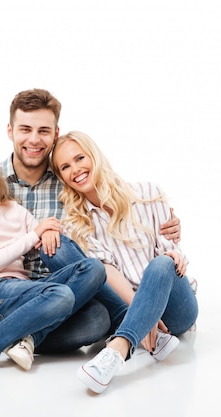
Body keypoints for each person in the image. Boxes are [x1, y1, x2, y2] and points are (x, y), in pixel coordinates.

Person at [0, 88, 182, 381]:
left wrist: (161, 219)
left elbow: (112, 211)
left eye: (43, 130)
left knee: (96, 319)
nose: (34, 139)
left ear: (56, 134)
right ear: (11, 130)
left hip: (57, 297)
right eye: (25, 129)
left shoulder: (71, 180)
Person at [0, 147, 106, 379]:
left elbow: (42, 233)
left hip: (24, 292)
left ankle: (26, 338)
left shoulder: (15, 210)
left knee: (94, 270)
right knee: (62, 295)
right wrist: (36, 234)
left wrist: (51, 229)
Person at [51, 131, 199, 394]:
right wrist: (145, 314)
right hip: (130, 309)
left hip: (174, 310)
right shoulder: (78, 224)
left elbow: (171, 252)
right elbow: (105, 272)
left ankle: (118, 348)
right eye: (65, 166)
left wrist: (174, 257)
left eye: (79, 158)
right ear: (62, 176)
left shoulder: (147, 193)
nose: (75, 169)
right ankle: (137, 338)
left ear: (94, 156)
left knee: (162, 263)